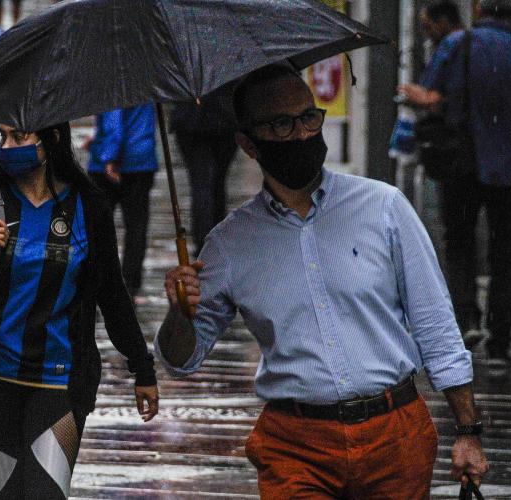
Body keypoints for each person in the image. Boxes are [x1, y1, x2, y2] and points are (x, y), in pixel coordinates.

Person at [156, 65, 489, 498]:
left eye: (309, 117)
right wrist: (180, 311)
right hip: (296, 447)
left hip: (395, 438)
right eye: (281, 124)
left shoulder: (383, 208)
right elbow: (182, 359)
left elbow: (437, 328)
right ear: (247, 143)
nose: (300, 134)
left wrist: (467, 430)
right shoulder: (229, 244)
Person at [0, 121, 159, 498]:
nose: (8, 145)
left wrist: (141, 367)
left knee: (46, 494)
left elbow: (112, 294)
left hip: (61, 385)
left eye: (19, 137)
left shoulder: (88, 205)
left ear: (51, 140)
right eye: (3, 136)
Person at [398, 0, 511, 366]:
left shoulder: (458, 44)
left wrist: (414, 95)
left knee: (459, 246)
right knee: (506, 256)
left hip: (462, 166)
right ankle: (500, 343)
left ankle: (466, 321)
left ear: (478, 12)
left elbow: (433, 96)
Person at [87, 104, 158, 298]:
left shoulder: (113, 80)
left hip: (113, 164)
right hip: (141, 158)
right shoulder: (146, 80)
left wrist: (109, 155)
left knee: (98, 226)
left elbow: (114, 117)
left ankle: (100, 278)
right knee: (137, 226)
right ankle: (131, 282)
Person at [171, 88, 239, 255]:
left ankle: (205, 241)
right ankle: (214, 240)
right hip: (223, 118)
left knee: (201, 185)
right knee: (215, 184)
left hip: (192, 120)